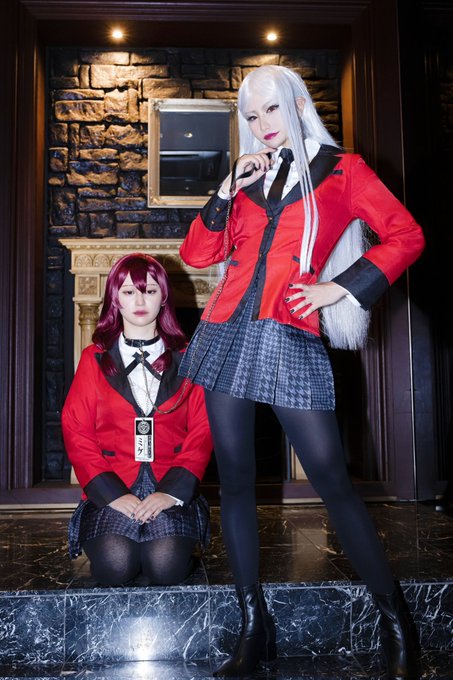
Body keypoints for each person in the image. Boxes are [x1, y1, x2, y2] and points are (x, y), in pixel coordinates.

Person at [178, 65, 425, 679]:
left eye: (271, 109)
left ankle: (398, 625)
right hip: (225, 332)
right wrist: (226, 188)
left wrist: (340, 288)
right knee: (236, 482)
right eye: (251, 115)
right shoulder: (247, 177)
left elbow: (406, 234)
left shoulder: (344, 170)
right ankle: (253, 628)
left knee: (333, 482)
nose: (263, 125)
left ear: (296, 104)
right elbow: (197, 254)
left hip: (289, 332)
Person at [62, 253, 213, 587]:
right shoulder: (94, 358)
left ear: (164, 297)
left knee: (165, 566)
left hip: (170, 483)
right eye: (129, 292)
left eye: (150, 291)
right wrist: (112, 494)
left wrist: (171, 494)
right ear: (115, 299)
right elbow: (76, 429)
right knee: (116, 565)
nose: (140, 301)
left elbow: (203, 430)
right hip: (112, 484)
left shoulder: (189, 357)